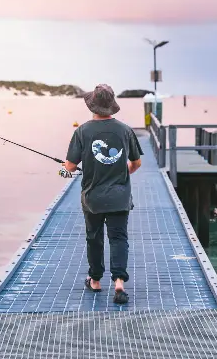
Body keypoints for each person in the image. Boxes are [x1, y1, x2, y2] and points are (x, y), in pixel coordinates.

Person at [60, 84, 143, 304]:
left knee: (94, 238)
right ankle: (119, 283)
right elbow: (136, 163)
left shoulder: (82, 131)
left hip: (93, 198)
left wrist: (63, 167)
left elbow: (69, 167)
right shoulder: (125, 130)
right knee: (118, 238)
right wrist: (121, 174)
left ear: (92, 106)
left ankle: (95, 280)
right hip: (119, 196)